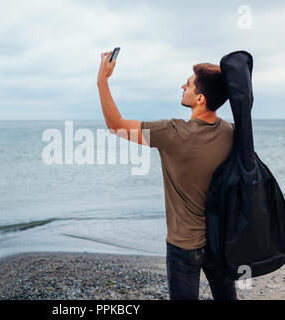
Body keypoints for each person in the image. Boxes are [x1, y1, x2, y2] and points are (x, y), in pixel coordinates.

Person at [97, 51, 237, 300]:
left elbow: (115, 124)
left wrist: (102, 81)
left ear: (200, 98)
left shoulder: (172, 133)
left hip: (184, 247)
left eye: (189, 84)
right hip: (221, 240)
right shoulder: (232, 133)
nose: (183, 86)